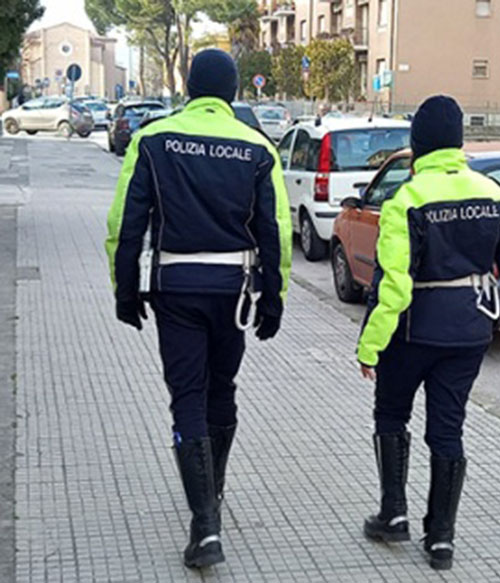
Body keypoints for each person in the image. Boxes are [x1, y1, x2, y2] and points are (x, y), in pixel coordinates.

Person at [105, 49, 291, 569]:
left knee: (187, 395)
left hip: (175, 289)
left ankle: (205, 524)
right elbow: (274, 230)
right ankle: (214, 491)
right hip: (233, 291)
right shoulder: (257, 147)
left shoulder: (153, 139)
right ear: (232, 92)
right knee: (222, 388)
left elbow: (126, 223)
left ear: (189, 88)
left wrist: (125, 289)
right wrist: (274, 297)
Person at [357, 95, 500, 570]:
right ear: (458, 141)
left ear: (417, 143)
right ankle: (440, 539)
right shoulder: (493, 193)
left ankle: (393, 514)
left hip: (412, 333)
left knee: (391, 415)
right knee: (448, 426)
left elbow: (393, 285)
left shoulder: (408, 199)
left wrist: (370, 346)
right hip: (469, 330)